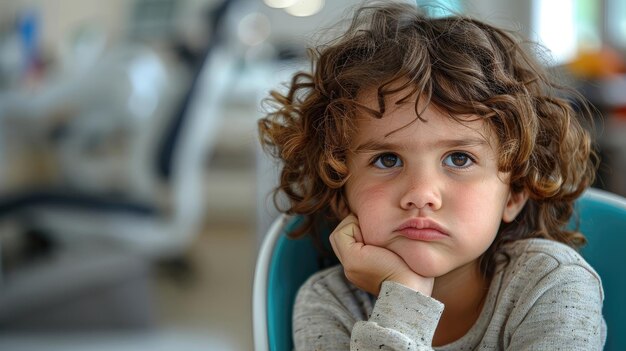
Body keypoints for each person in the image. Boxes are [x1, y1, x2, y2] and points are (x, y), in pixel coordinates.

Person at [258, 2, 606, 350]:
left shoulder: (551, 285)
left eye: (459, 158)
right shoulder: (329, 303)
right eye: (387, 159)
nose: (421, 193)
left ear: (514, 193)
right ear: (340, 186)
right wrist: (403, 298)